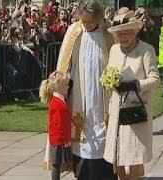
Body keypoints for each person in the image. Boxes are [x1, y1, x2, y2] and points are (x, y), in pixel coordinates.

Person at [55, 0, 115, 179]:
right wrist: (60, 85)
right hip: (79, 91)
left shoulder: (108, 32)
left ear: (99, 18)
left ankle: (104, 171)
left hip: (102, 90)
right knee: (81, 131)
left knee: (101, 126)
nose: (87, 24)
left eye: (91, 21)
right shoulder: (74, 31)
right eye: (85, 20)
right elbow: (64, 62)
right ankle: (81, 171)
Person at [103, 10, 160, 180]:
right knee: (117, 155)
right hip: (116, 110)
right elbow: (108, 72)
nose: (123, 38)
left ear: (134, 32)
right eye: (120, 34)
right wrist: (108, 80)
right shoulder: (113, 50)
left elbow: (155, 79)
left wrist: (136, 85)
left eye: (127, 34)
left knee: (134, 156)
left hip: (136, 110)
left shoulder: (146, 50)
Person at [39, 71, 72, 180]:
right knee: (56, 164)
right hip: (58, 138)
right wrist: (65, 139)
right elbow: (58, 123)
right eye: (65, 85)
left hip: (59, 138)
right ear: (57, 86)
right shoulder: (57, 103)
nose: (68, 87)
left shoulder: (60, 100)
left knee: (58, 163)